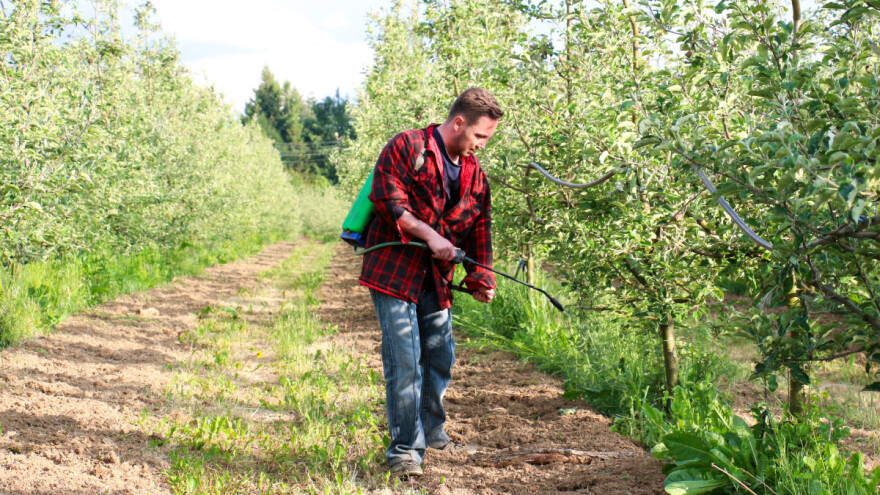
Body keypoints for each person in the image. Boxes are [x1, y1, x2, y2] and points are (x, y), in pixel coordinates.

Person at [359, 88, 503, 477]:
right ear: (459, 122)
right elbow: (390, 203)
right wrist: (431, 236)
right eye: (480, 137)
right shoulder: (407, 146)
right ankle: (404, 450)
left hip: (436, 279)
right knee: (406, 361)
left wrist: (481, 278)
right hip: (394, 269)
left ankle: (432, 431)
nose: (481, 146)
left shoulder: (476, 177)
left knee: (440, 356)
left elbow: (481, 230)